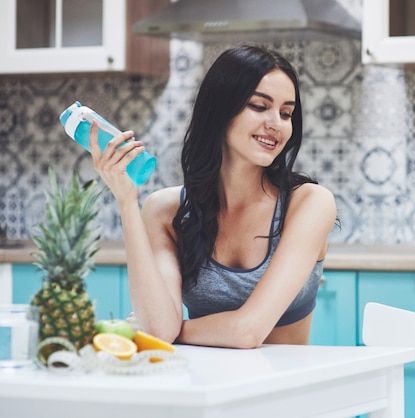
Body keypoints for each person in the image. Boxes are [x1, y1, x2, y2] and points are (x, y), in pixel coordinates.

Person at [89, 44, 337, 349]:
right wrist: (127, 202)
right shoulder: (166, 210)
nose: (276, 124)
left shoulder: (310, 203)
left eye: (286, 113)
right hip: (204, 387)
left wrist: (173, 329)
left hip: (285, 390)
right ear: (220, 110)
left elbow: (247, 331)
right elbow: (158, 327)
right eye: (259, 106)